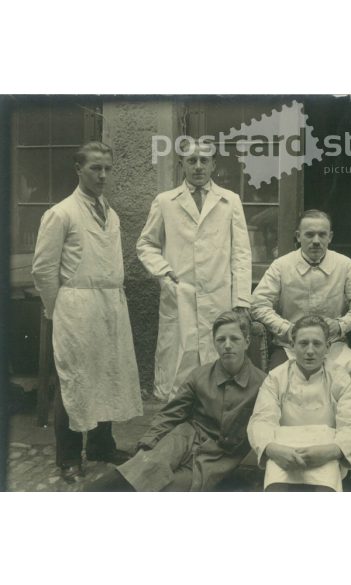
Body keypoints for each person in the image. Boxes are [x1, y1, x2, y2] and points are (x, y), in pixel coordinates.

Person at [32, 141, 143, 484]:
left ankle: (100, 446)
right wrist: (59, 308)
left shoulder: (110, 213)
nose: (103, 175)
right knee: (75, 380)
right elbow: (42, 269)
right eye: (96, 168)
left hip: (110, 303)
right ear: (78, 169)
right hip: (75, 306)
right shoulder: (61, 213)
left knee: (108, 373)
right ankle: (68, 456)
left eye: (107, 168)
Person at [85, 311, 266, 491]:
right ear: (214, 343)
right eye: (221, 340)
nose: (227, 345)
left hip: (219, 457)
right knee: (143, 467)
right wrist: (147, 444)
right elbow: (170, 414)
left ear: (247, 342)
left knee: (170, 487)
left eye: (234, 339)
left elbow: (268, 426)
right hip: (184, 438)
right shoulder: (199, 376)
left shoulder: (263, 384)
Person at [137, 140, 252, 402]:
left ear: (213, 164)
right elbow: (146, 244)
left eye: (204, 160)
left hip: (219, 296)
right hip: (180, 296)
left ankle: (213, 428)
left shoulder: (230, 201)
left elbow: (242, 253)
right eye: (191, 161)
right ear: (182, 165)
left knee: (218, 364)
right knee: (180, 366)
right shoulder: (165, 201)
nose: (198, 166)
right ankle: (179, 426)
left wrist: (241, 299)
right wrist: (164, 273)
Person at [247, 315, 351, 492]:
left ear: (327, 347)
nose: (310, 351)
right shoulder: (276, 378)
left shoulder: (340, 379)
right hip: (283, 454)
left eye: (317, 344)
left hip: (325, 455)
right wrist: (272, 449)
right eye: (303, 343)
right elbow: (260, 421)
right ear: (292, 346)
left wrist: (331, 451)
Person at [252, 209, 351, 372]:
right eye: (309, 234)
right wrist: (287, 329)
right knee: (276, 381)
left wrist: (340, 325)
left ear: (330, 237)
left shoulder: (345, 265)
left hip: (333, 345)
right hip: (290, 346)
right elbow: (258, 305)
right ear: (298, 236)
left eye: (322, 235)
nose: (316, 241)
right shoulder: (281, 266)